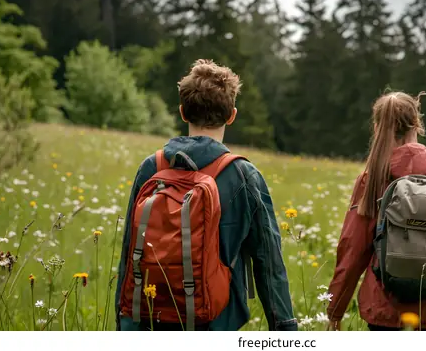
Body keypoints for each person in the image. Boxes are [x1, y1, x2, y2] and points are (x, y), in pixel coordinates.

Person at [114, 59, 297, 331]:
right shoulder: (244, 175)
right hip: (215, 320)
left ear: (182, 112)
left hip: (149, 319)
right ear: (232, 115)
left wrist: (123, 323)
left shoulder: (152, 167)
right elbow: (268, 264)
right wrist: (285, 331)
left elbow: (130, 250)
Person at [326, 91, 426, 331]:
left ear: (377, 127)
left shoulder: (372, 179)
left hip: (384, 309)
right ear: (417, 123)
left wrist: (335, 310)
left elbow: (352, 252)